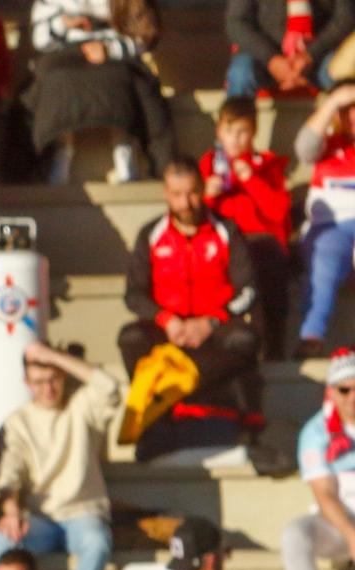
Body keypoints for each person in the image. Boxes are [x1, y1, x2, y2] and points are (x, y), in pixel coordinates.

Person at [117, 157, 264, 443]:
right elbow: (133, 294)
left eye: (193, 192)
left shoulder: (227, 231)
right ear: (165, 194)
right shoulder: (151, 234)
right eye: (177, 194)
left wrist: (210, 322)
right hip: (168, 332)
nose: (186, 202)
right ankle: (163, 411)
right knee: (130, 337)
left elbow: (248, 290)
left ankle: (176, 391)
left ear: (203, 189)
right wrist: (167, 320)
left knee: (245, 340)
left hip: (215, 329)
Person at [0, 343, 122, 570]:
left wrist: (52, 356)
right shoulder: (18, 422)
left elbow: (110, 387)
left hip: (83, 512)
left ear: (63, 376)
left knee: (97, 543)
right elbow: (10, 469)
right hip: (40, 517)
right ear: (26, 383)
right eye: (39, 381)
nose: (48, 388)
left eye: (54, 379)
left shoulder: (81, 405)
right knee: (3, 540)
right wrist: (11, 509)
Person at [26, 0, 172, 186]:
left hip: (118, 55)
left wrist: (109, 49)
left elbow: (146, 37)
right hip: (65, 55)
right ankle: (62, 154)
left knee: (119, 79)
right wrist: (63, 23)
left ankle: (124, 153)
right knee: (57, 80)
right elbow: (40, 40)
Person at [203, 94, 292, 355]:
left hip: (261, 244)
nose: (235, 139)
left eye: (243, 131)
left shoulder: (267, 165)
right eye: (229, 131)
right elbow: (194, 215)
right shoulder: (210, 164)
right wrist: (208, 194)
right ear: (219, 131)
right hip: (224, 245)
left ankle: (272, 348)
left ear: (254, 133)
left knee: (263, 259)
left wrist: (252, 179)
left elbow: (278, 212)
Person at [280, 349, 355, 570]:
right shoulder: (316, 432)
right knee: (294, 534)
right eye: (344, 389)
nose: (351, 396)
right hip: (338, 524)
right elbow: (325, 495)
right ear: (332, 392)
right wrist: (351, 535)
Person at [295, 83, 355, 359]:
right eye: (348, 110)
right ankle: (311, 337)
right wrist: (332, 102)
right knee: (325, 257)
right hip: (330, 229)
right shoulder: (327, 146)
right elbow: (304, 148)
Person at [225, 0, 354, 98]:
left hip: (319, 53)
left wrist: (310, 55)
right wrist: (271, 58)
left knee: (343, 73)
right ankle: (235, 131)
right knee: (241, 73)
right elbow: (236, 22)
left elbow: (345, 19)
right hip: (264, 53)